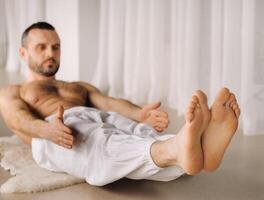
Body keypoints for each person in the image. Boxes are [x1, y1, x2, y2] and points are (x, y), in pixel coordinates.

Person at [0, 22, 240, 186]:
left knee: (135, 132)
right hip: (56, 129)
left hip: (96, 118)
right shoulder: (14, 90)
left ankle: (197, 149)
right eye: (41, 47)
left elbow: (107, 102)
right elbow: (17, 119)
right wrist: (47, 130)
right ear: (23, 53)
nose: (50, 53)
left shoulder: (77, 86)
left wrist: (139, 113)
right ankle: (178, 148)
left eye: (55, 47)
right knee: (99, 143)